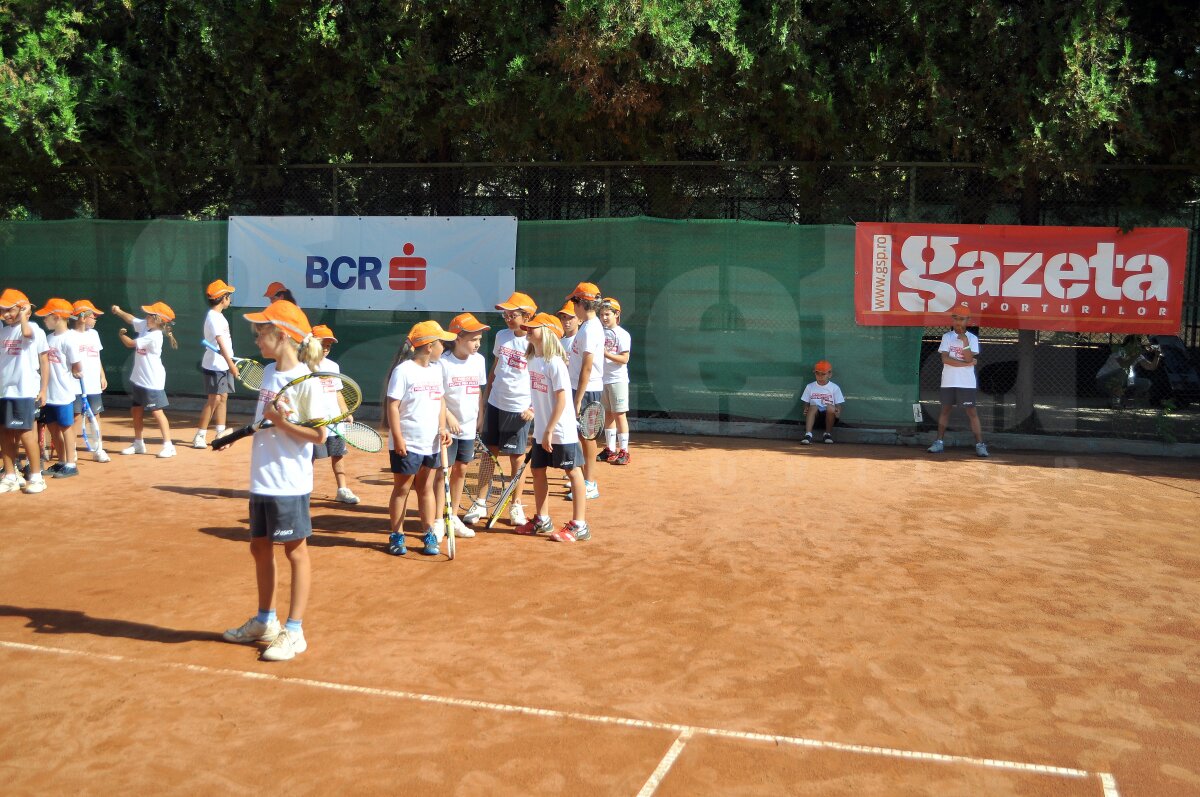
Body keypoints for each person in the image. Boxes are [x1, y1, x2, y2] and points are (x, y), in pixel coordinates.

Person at [219, 300, 325, 662]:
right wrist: (241, 434)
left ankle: (294, 631)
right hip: (262, 478)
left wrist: (281, 422)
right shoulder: (267, 373)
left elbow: (320, 436)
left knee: (295, 551)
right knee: (259, 547)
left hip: (289, 482)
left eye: (261, 333)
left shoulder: (307, 382)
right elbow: (263, 421)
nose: (256, 339)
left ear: (281, 336)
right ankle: (266, 621)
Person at [384, 321, 455, 556]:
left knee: (425, 488)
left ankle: (429, 533)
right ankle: (397, 535)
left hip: (431, 443)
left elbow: (440, 401)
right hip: (408, 442)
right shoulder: (403, 371)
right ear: (429, 347)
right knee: (402, 489)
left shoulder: (436, 369)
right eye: (441, 343)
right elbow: (392, 406)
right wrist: (398, 438)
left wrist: (442, 427)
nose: (444, 347)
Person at [518, 313, 590, 542]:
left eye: (533, 327)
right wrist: (534, 413)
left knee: (573, 471)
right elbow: (539, 394)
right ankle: (542, 519)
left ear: (548, 332)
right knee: (538, 470)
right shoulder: (532, 360)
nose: (527, 330)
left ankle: (580, 525)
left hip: (561, 430)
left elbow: (561, 399)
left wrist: (549, 429)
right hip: (542, 428)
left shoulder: (555, 363)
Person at [477, 291, 537, 527]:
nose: (507, 319)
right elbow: (496, 366)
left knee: (516, 458)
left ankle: (515, 505)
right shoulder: (501, 336)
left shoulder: (535, 342)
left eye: (512, 315)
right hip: (495, 402)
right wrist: (486, 398)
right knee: (488, 453)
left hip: (519, 408)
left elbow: (541, 377)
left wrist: (533, 407)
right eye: (505, 315)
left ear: (527, 316)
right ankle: (480, 502)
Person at [441, 312, 490, 536]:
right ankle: (438, 519)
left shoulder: (478, 360)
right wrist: (448, 416)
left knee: (461, 469)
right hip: (446, 429)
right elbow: (437, 395)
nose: (477, 344)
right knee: (442, 473)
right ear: (457, 338)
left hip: (468, 427)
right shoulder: (443, 363)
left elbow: (477, 389)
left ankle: (452, 517)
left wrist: (480, 415)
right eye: (473, 339)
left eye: (479, 339)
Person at [111, 301, 178, 458]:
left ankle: (169, 446)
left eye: (149, 315)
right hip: (139, 378)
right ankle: (138, 443)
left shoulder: (154, 336)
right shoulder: (146, 326)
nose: (146, 316)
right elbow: (131, 319)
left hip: (152, 380)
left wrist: (121, 335)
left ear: (157, 319)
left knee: (157, 412)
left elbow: (130, 344)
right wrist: (119, 311)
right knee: (136, 410)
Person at [0, 289, 50, 494]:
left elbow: (44, 360)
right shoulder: (2, 332)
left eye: (9, 309)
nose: (5, 314)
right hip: (4, 391)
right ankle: (10, 476)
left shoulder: (34, 329)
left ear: (22, 309)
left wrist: (44, 389)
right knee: (4, 433)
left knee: (26, 433)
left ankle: (37, 477)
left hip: (25, 390)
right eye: (2, 310)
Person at [928, 303, 987, 457]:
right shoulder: (947, 337)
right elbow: (945, 359)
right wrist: (967, 363)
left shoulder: (972, 338)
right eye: (956, 318)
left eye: (962, 319)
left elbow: (968, 357)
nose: (958, 322)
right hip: (948, 380)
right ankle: (939, 442)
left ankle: (980, 445)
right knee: (945, 411)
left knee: (972, 412)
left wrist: (964, 341)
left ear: (968, 320)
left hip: (966, 382)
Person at [310, 324, 359, 504]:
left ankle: (342, 489)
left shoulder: (333, 366)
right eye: (322, 344)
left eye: (328, 346)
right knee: (308, 457)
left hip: (334, 420)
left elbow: (337, 391)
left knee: (338, 455)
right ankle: (303, 490)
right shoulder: (303, 366)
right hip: (314, 422)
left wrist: (345, 412)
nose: (325, 349)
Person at [34, 298, 83, 478]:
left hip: (64, 393)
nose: (44, 319)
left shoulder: (70, 339)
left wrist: (77, 372)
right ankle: (61, 461)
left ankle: (71, 464)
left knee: (66, 427)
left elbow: (77, 365)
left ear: (56, 317)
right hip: (49, 393)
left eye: (46, 316)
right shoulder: (48, 338)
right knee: (53, 428)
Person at [567, 282, 604, 497]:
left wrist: (578, 399)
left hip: (586, 390)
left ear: (581, 303)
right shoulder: (587, 326)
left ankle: (590, 483)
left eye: (574, 302)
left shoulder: (590, 329)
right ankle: (582, 479)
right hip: (578, 387)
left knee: (587, 437)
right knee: (580, 436)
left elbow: (587, 367)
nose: (573, 306)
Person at [193, 279, 240, 449]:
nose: (230, 299)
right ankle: (199, 435)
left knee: (223, 398)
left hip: (223, 364)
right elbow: (220, 343)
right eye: (229, 296)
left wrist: (229, 363)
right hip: (214, 365)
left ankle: (221, 434)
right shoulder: (213, 318)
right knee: (214, 399)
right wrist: (232, 365)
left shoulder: (219, 316)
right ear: (223, 298)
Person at [71, 300, 110, 462]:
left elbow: (97, 357)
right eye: (92, 316)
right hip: (76, 385)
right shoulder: (70, 336)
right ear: (82, 317)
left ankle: (98, 449)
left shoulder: (94, 334)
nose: (95, 318)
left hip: (93, 385)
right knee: (76, 417)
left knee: (95, 416)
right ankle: (71, 451)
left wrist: (102, 375)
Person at [596, 297, 632, 465]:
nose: (604, 317)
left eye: (607, 314)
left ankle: (624, 451)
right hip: (602, 379)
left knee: (619, 415)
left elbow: (624, 359)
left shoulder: (623, 334)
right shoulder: (598, 333)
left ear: (617, 314)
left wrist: (606, 354)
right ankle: (610, 449)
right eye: (601, 314)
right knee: (608, 414)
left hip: (618, 380)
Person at [1095, 335, 1163, 407]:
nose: (1138, 346)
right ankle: (1115, 402)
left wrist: (1157, 355)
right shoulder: (1119, 351)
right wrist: (1136, 355)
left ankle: (1131, 402)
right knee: (1122, 371)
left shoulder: (1137, 354)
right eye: (1135, 344)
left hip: (1123, 382)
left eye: (1139, 344)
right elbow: (1124, 364)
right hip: (1104, 380)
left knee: (1146, 383)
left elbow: (1151, 367)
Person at [800, 360, 845, 445]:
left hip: (830, 417)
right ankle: (808, 435)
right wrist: (805, 408)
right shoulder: (810, 387)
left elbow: (838, 405)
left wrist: (838, 411)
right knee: (813, 407)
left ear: (830, 374)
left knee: (830, 407)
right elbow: (806, 402)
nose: (820, 376)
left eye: (823, 374)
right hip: (815, 418)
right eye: (817, 373)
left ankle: (827, 434)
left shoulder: (834, 388)